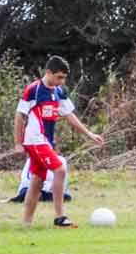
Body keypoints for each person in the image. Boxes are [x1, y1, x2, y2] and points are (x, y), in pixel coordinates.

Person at [15, 56, 104, 227]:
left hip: (46, 142)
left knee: (37, 181)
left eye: (64, 78)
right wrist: (18, 143)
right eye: (59, 77)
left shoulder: (59, 91)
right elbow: (19, 115)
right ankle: (60, 217)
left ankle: (26, 223)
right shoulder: (33, 89)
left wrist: (89, 134)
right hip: (35, 140)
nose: (61, 81)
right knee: (60, 169)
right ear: (48, 72)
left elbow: (69, 115)